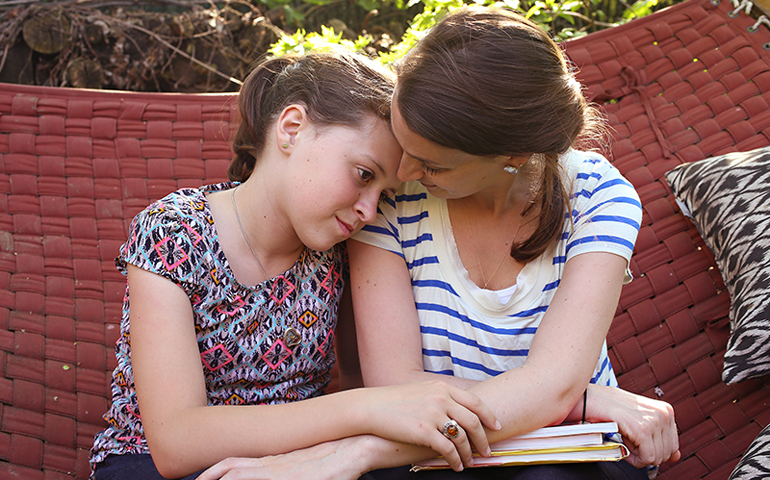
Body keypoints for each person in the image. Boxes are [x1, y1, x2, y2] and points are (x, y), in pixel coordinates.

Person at [88, 50, 503, 480]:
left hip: (302, 463)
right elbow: (176, 442)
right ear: (292, 129)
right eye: (364, 175)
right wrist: (365, 410)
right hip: (151, 465)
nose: (369, 210)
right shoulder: (173, 232)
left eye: (384, 194)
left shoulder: (344, 248)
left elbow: (360, 378)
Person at [346, 6, 680, 479]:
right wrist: (580, 398)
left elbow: (552, 388)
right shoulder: (390, 199)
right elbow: (395, 388)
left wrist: (558, 395)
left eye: (432, 165)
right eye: (404, 149)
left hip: (567, 450)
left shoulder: (597, 197)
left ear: (514, 156)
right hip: (436, 447)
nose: (403, 175)